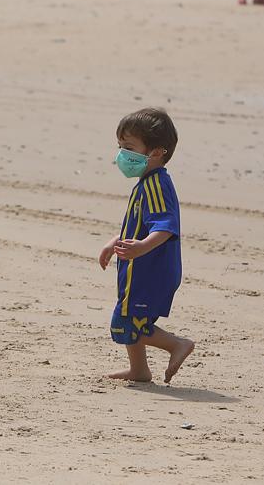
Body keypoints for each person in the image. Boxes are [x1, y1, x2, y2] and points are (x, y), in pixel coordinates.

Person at [98, 107, 195, 384]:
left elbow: (164, 226)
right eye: (120, 146)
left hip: (150, 269)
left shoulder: (156, 184)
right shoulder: (146, 182)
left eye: (129, 147)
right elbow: (141, 224)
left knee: (126, 321)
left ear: (156, 152)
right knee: (130, 313)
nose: (122, 155)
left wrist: (141, 247)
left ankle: (176, 344)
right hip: (139, 266)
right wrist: (114, 241)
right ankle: (139, 370)